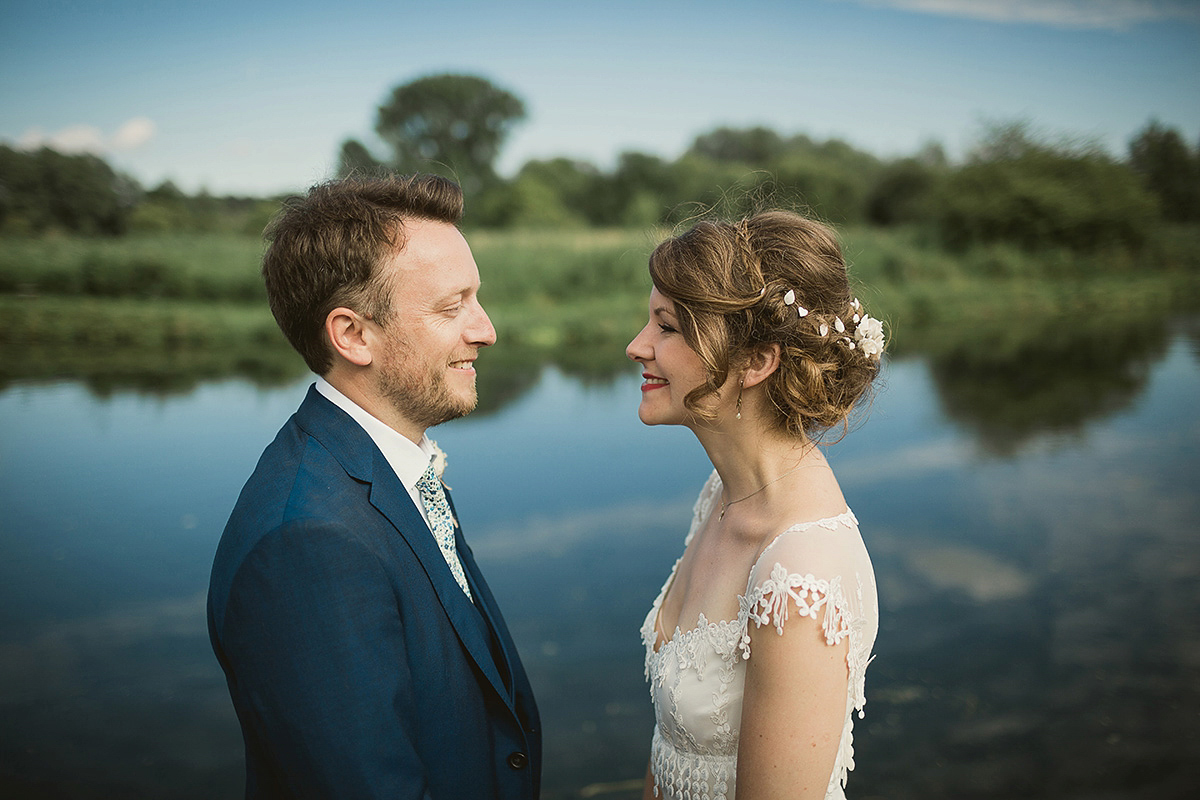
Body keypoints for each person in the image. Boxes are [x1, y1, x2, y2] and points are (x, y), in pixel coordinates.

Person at [207, 174, 541, 799]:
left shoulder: (384, 463)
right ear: (353, 335)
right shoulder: (308, 544)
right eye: (452, 306)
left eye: (477, 299)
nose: (486, 329)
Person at [627, 211, 882, 800]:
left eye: (666, 327)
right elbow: (667, 748)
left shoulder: (803, 575)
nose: (637, 346)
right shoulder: (720, 495)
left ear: (755, 362)